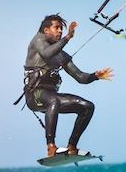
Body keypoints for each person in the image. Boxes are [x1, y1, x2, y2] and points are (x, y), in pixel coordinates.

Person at [21, 14, 113, 157]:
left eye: (61, 29)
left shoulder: (61, 55)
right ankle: (51, 147)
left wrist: (95, 76)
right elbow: (46, 53)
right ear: (46, 30)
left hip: (52, 97)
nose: (60, 31)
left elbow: (80, 77)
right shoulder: (38, 40)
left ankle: (72, 147)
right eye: (56, 28)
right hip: (35, 96)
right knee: (54, 100)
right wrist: (68, 37)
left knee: (87, 106)